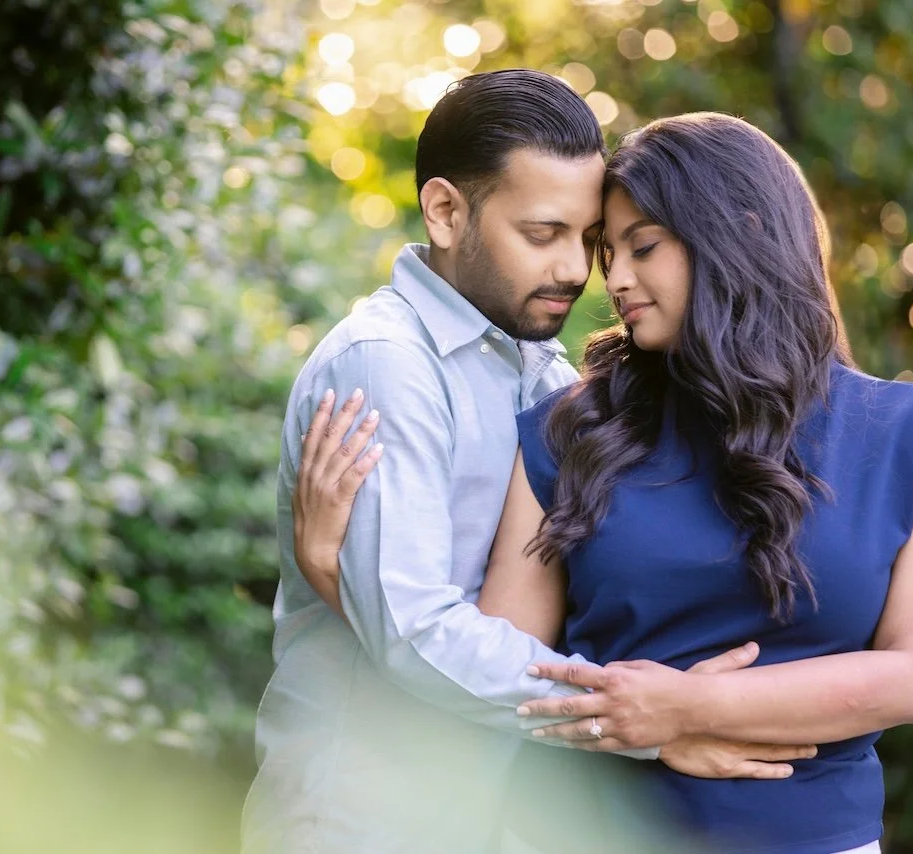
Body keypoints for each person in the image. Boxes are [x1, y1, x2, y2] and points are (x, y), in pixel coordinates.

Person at [292, 112, 913, 854]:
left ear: (740, 232)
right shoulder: (569, 427)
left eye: (642, 247)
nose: (612, 279)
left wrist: (688, 707)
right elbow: (502, 664)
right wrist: (343, 575)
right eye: (607, 250)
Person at [241, 75, 810, 854]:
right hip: (361, 819)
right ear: (446, 211)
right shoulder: (385, 365)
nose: (579, 271)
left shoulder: (540, 374)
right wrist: (636, 721)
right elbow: (412, 632)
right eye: (543, 234)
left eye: (588, 239)